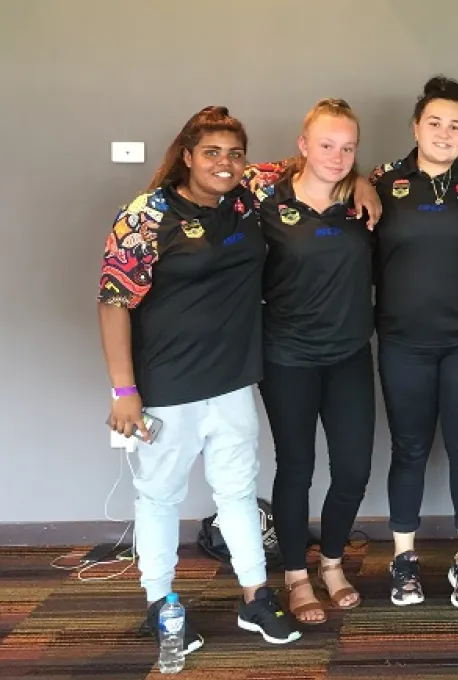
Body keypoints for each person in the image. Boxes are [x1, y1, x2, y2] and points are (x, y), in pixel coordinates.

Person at [97, 106, 301, 652]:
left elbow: (308, 161)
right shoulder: (146, 214)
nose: (225, 163)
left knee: (238, 493)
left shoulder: (247, 196)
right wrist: (124, 390)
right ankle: (160, 604)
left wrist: (365, 185)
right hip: (166, 388)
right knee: (160, 497)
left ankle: (256, 598)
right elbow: (114, 301)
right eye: (211, 152)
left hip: (233, 381)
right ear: (186, 156)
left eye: (235, 153)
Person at [244, 99, 376, 625]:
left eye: (348, 148)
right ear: (302, 146)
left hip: (348, 356)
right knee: (295, 468)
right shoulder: (265, 200)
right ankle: (296, 577)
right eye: (326, 144)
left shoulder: (366, 203)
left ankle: (333, 564)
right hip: (287, 358)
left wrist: (363, 182)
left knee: (353, 469)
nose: (337, 157)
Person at [368, 76, 458, 610]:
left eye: (455, 125)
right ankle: (405, 560)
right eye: (434, 122)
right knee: (410, 449)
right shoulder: (380, 181)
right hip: (403, 342)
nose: (444, 132)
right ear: (416, 126)